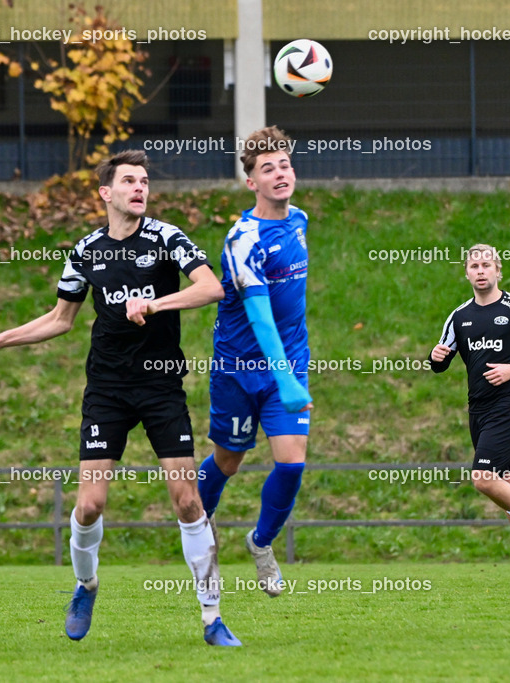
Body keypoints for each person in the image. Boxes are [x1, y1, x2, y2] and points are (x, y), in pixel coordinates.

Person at [0, 150, 241, 646]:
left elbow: (211, 288)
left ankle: (212, 616)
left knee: (187, 501)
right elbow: (60, 319)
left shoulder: (165, 238)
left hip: (160, 386)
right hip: (107, 391)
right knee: (90, 505)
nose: (140, 188)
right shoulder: (86, 250)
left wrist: (155, 304)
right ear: (105, 193)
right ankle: (86, 584)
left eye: (145, 181)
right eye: (129, 181)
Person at [195, 126, 313, 597]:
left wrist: (290, 374)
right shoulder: (243, 240)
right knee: (228, 460)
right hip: (239, 370)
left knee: (292, 463)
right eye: (268, 169)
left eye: (285, 164)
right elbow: (261, 317)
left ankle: (261, 543)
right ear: (252, 183)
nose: (280, 173)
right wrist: (286, 380)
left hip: (290, 362)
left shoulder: (299, 220)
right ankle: (199, 526)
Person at [428, 243, 510, 586]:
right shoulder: (459, 317)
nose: (481, 271)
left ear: (498, 270)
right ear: (467, 273)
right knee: (507, 484)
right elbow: (440, 363)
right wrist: (435, 357)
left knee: (483, 478)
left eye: (487, 265)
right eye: (474, 266)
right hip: (479, 411)